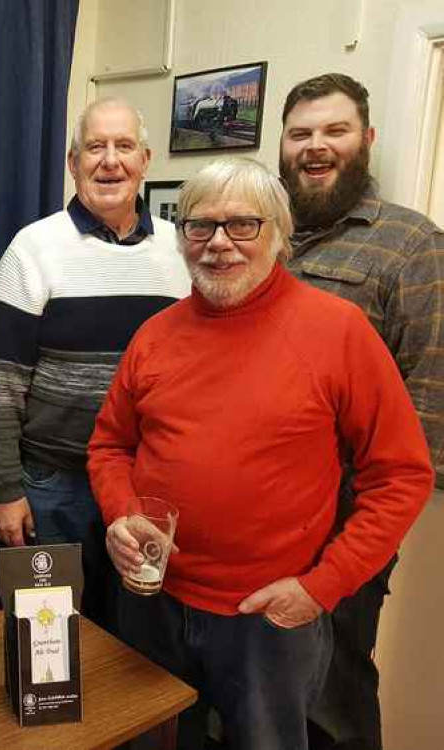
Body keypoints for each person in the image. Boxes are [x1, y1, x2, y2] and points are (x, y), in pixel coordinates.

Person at [88, 157, 433, 749]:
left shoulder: (339, 332)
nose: (219, 243)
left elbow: (402, 476)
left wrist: (322, 586)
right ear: (182, 237)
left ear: (278, 234)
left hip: (269, 621)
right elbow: (110, 445)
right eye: (200, 226)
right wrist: (121, 513)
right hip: (153, 603)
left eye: (242, 225)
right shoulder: (155, 334)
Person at [0, 97, 190, 630]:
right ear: (73, 163)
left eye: (123, 147)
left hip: (147, 484)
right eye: (95, 147)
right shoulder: (34, 247)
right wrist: (5, 490)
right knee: (49, 643)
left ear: (146, 159)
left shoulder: (181, 250)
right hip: (53, 486)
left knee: (138, 645)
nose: (109, 160)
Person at [279, 72, 444, 750]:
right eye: (300, 134)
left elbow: (429, 396)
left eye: (333, 130)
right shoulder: (257, 233)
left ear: (366, 139)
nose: (315, 146)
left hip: (345, 520)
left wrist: (371, 528)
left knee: (334, 698)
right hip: (254, 512)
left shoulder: (411, 243)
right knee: (258, 688)